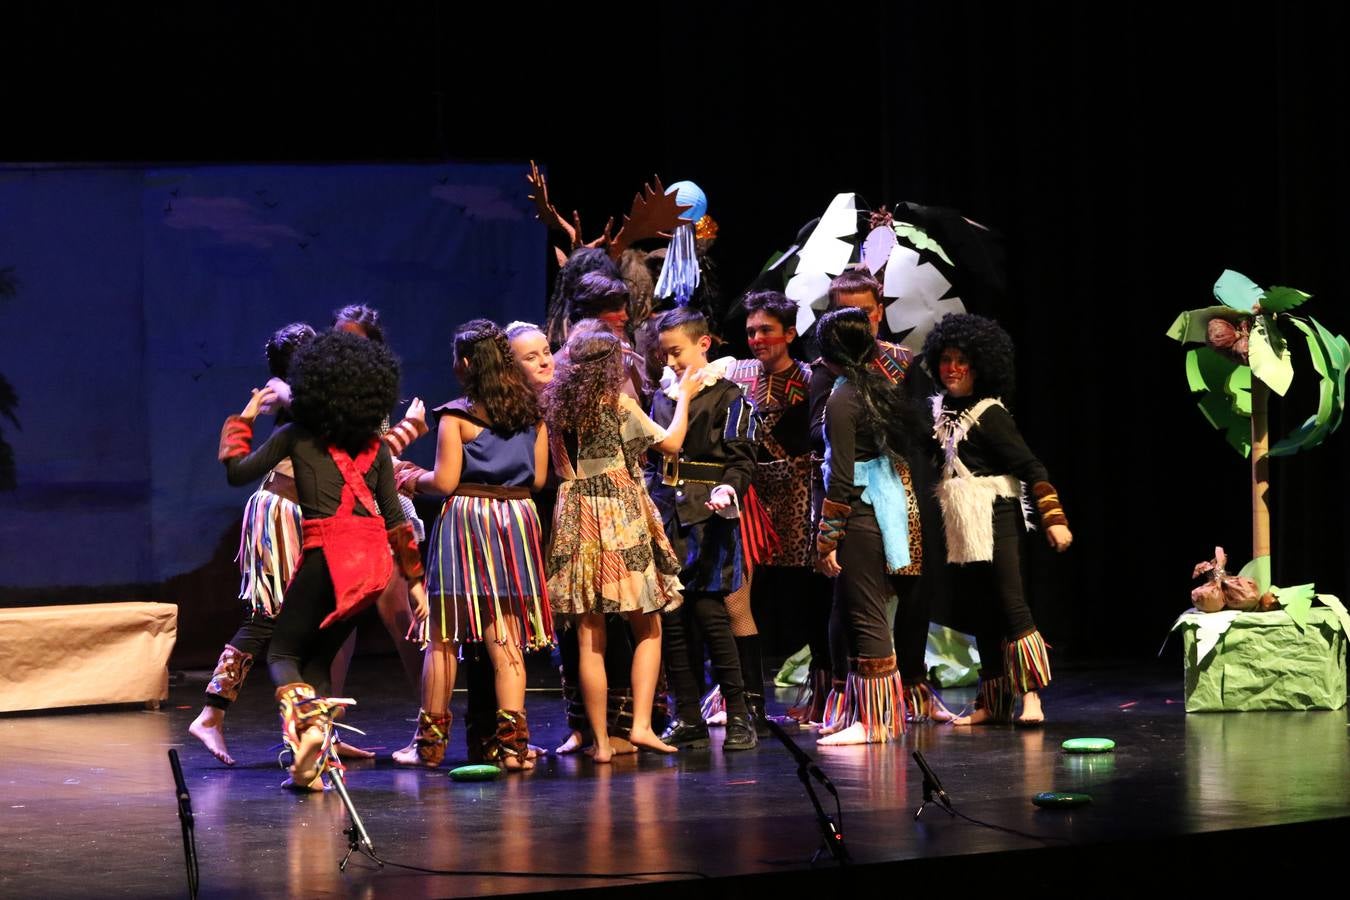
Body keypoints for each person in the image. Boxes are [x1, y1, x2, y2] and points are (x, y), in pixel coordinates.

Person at [218, 331, 428, 789]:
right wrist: (415, 583)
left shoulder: (295, 436)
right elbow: (395, 519)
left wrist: (243, 419)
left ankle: (310, 727)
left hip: (328, 554)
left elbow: (238, 471)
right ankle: (316, 765)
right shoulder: (374, 448)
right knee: (318, 659)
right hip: (371, 563)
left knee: (284, 652)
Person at [394, 320, 553, 770]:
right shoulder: (532, 415)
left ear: (465, 364)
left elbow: (444, 483)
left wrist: (405, 475)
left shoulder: (456, 416)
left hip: (468, 520)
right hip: (518, 520)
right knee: (506, 635)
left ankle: (428, 747)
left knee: (443, 636)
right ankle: (513, 749)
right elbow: (539, 480)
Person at [545, 327, 700, 762]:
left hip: (574, 515)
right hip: (617, 514)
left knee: (590, 634)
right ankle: (641, 726)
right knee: (646, 622)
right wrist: (684, 396)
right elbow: (671, 443)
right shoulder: (617, 405)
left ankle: (599, 743)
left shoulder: (557, 408)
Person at [922, 313, 1071, 726]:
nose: (952, 369)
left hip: (997, 512)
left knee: (1010, 603)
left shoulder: (990, 413)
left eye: (962, 361)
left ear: (980, 365)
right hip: (958, 519)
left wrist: (1053, 518)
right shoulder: (936, 412)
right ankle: (991, 701)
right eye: (946, 360)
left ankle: (1032, 698)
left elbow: (1032, 467)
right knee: (978, 608)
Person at [647, 308, 760, 751]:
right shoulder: (662, 397)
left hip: (708, 517)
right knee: (672, 621)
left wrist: (729, 491)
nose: (671, 361)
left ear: (703, 344)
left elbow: (741, 460)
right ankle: (687, 715)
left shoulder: (730, 397)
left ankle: (739, 716)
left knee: (714, 617)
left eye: (677, 352)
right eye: (664, 353)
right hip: (666, 517)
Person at [813, 307, 927, 744]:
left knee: (866, 615)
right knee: (859, 609)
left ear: (828, 355)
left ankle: (876, 722)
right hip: (878, 506)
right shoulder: (876, 385)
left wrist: (826, 540)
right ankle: (869, 715)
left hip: (859, 513)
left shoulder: (843, 398)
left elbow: (840, 477)